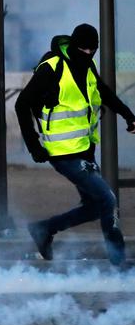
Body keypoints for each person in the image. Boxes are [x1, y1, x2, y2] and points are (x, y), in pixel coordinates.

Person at [15, 24, 135, 267]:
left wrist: (127, 114)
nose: (89, 53)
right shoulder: (52, 68)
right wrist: (33, 145)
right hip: (62, 153)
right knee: (108, 199)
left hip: (83, 149)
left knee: (95, 206)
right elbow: (21, 104)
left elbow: (104, 92)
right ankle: (119, 261)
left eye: (93, 50)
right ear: (73, 45)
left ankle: (43, 230)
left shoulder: (87, 65)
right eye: (84, 49)